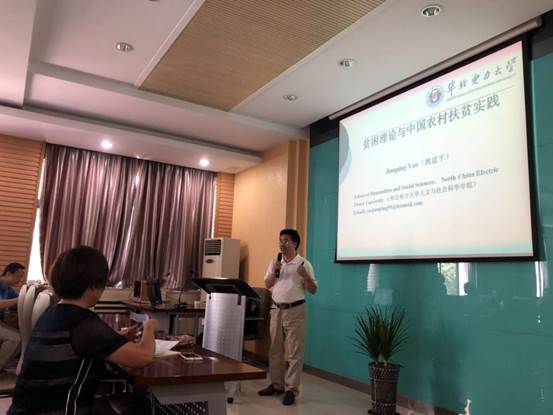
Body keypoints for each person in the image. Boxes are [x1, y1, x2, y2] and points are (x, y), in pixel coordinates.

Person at [8, 246, 158, 415]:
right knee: (143, 406)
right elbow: (143, 357)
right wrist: (149, 326)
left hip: (25, 409)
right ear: (92, 285)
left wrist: (117, 338)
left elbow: (79, 344)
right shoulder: (82, 321)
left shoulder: (54, 312)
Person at [258, 229, 318, 405]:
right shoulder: (275, 262)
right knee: (275, 350)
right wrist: (274, 271)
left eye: (285, 241)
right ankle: (277, 385)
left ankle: (291, 390)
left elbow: (313, 290)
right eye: (280, 240)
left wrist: (306, 276)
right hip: (276, 309)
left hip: (295, 311)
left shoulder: (304, 264)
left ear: (295, 243)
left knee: (294, 353)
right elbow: (267, 284)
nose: (281, 244)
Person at [0, 262, 25, 374]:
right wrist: (20, 299)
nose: (20, 280)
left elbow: (19, 301)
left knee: (20, 338)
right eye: (18, 276)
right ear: (8, 274)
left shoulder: (9, 289)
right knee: (16, 339)